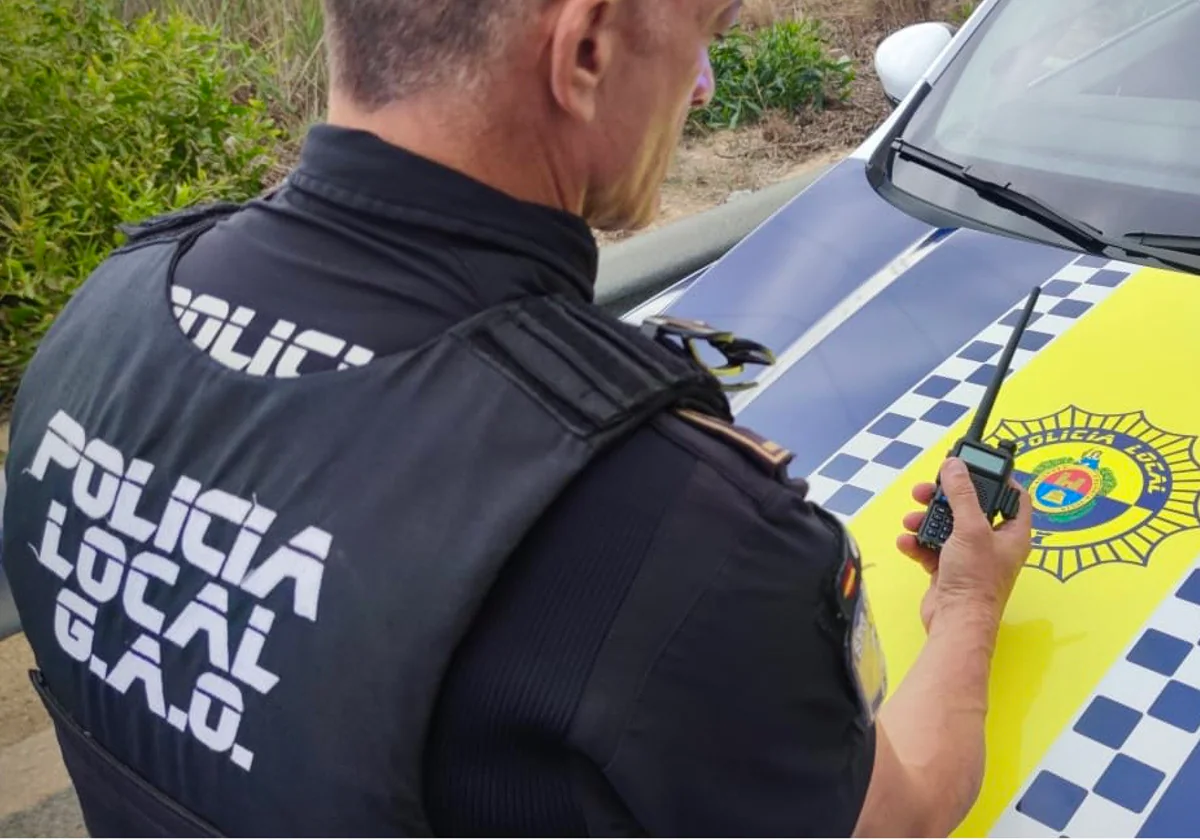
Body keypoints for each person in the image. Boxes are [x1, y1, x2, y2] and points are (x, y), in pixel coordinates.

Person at [1, 0, 1033, 836]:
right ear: (584, 48)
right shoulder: (671, 517)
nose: (702, 96)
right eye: (704, 44)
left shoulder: (106, 314)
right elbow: (887, 819)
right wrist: (971, 603)